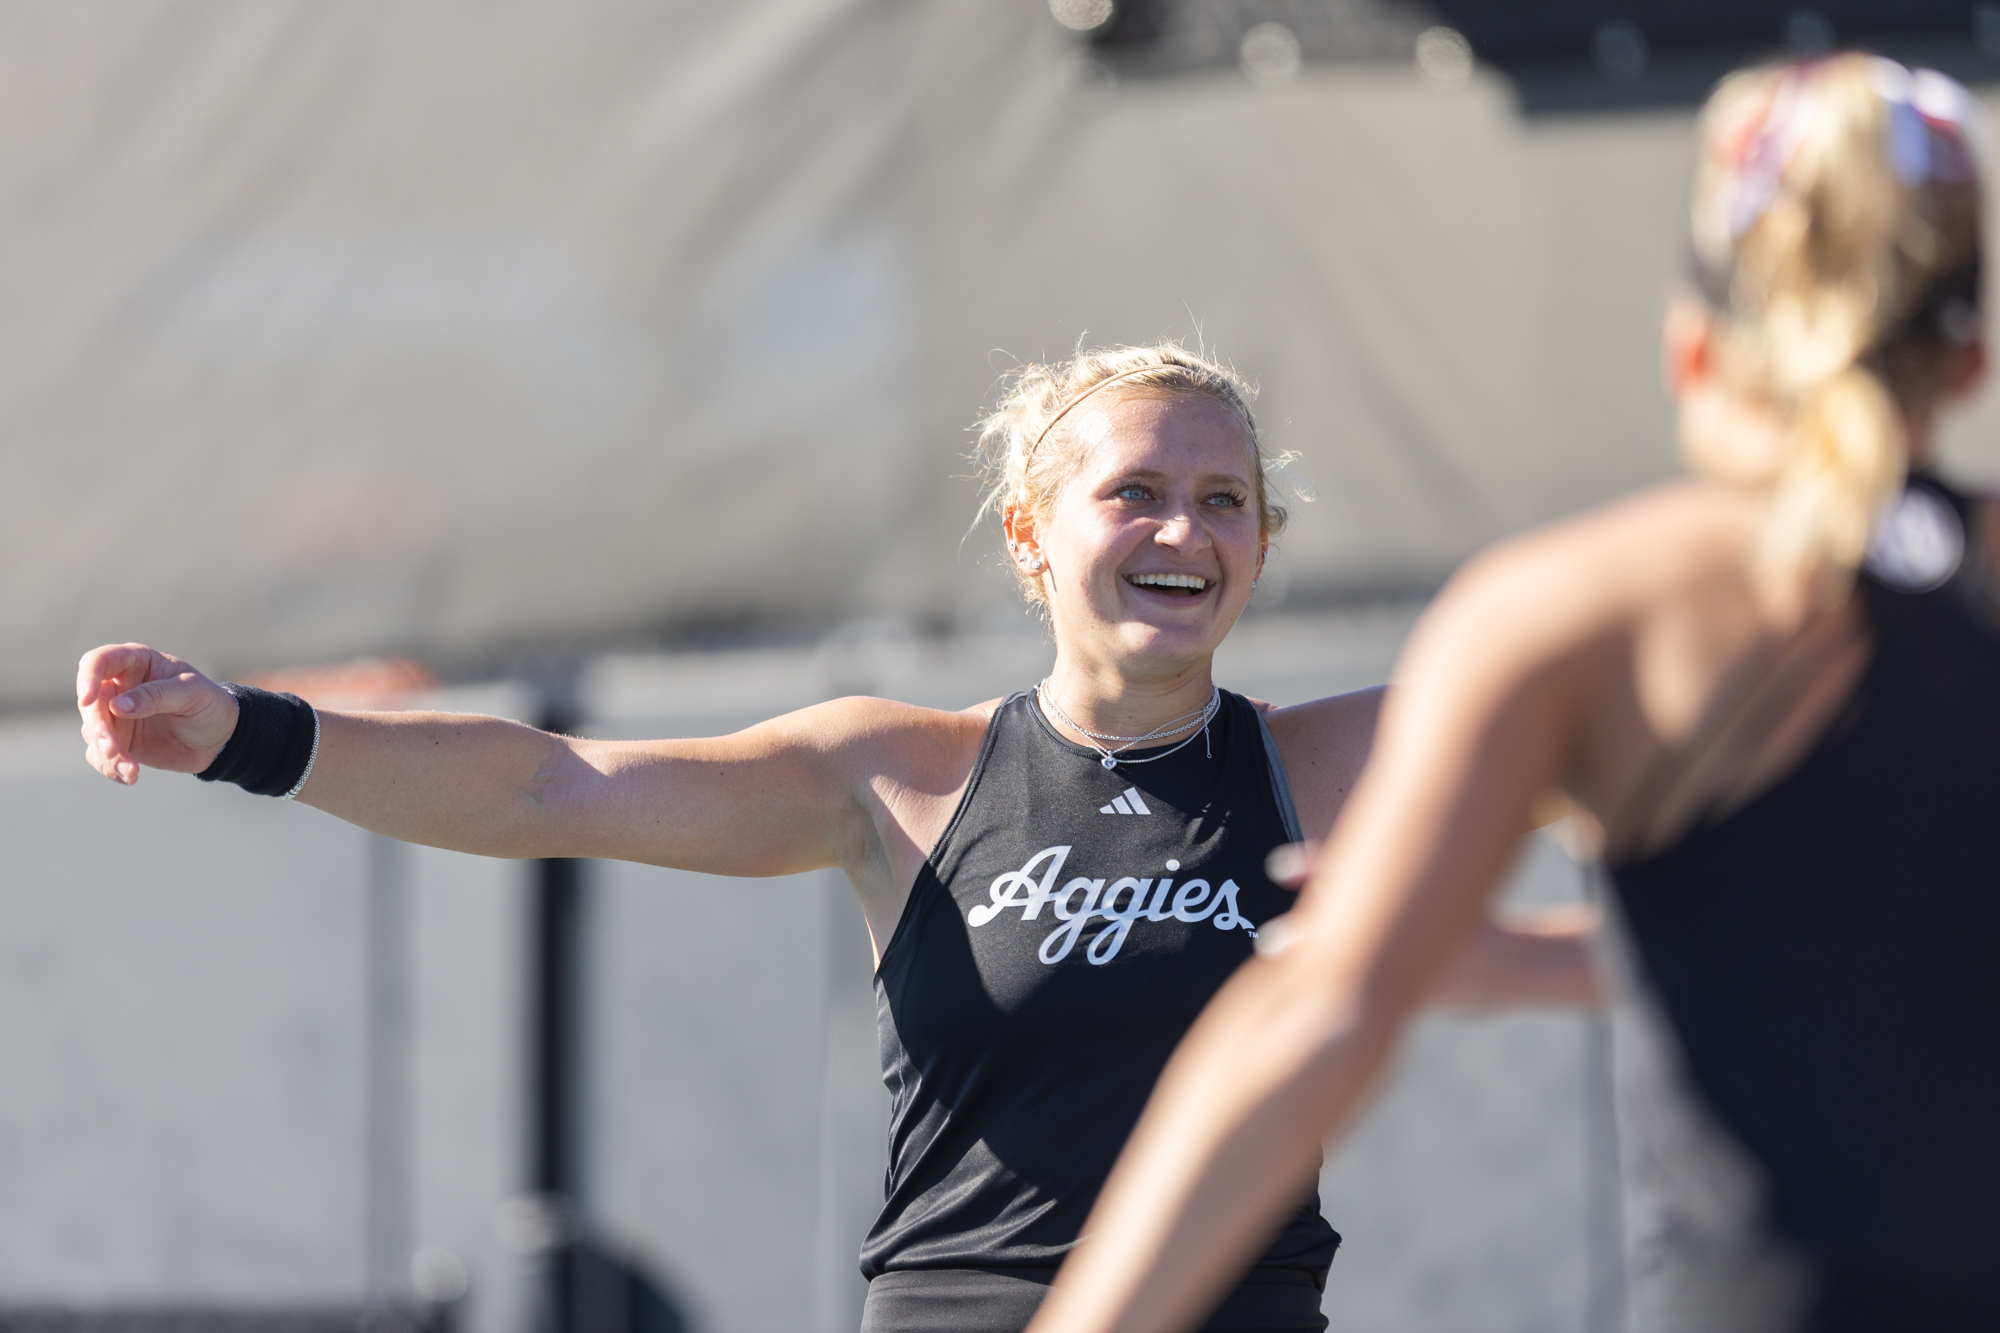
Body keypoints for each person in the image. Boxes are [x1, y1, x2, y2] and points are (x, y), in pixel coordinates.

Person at [77, 343, 1592, 1333]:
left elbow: (1646, 701)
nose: (1183, 533)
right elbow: (555, 783)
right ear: (1029, 532)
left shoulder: (1327, 757)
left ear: (1265, 540)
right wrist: (245, 733)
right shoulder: (898, 776)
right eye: (1134, 493)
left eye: (1225, 501)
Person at [1026, 54, 2000, 1333]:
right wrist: (1539, 963)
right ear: (1971, 357)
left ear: (1690, 346)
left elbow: (1313, 1020)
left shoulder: (1582, 611)